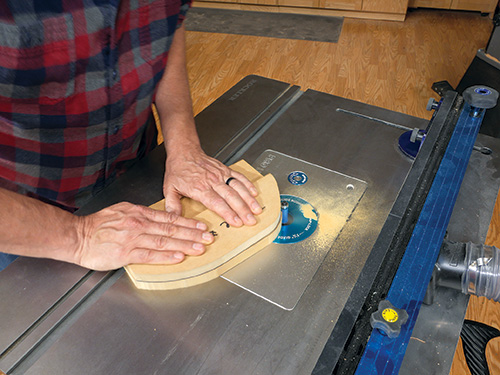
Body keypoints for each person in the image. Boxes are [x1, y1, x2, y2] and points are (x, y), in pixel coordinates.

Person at [0, 1, 262, 272]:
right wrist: (79, 236)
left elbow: (167, 27)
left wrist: (184, 147)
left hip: (138, 170)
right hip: (25, 218)